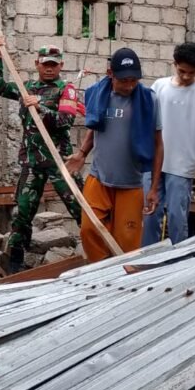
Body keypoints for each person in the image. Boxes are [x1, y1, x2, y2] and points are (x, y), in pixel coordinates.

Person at [0, 35, 81, 272]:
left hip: (60, 160)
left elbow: (65, 120)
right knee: (22, 212)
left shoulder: (66, 90)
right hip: (32, 161)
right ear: (37, 64)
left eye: (54, 65)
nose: (49, 68)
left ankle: (99, 252)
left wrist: (40, 107)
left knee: (80, 207)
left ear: (61, 66)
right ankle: (16, 262)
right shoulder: (26, 88)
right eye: (45, 64)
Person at [66, 48, 162, 262]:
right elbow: (95, 128)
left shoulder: (149, 100)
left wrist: (154, 188)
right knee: (89, 230)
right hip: (99, 178)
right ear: (110, 74)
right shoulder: (97, 94)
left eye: (134, 80)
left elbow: (158, 144)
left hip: (130, 183)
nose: (129, 86)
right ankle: (100, 271)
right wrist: (82, 153)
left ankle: (122, 277)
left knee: (126, 241)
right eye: (123, 80)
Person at [141, 42, 195, 246]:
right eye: (182, 71)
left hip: (182, 167)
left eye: (191, 73)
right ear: (174, 64)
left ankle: (178, 258)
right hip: (154, 163)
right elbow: (146, 123)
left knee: (177, 217)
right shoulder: (159, 87)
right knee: (149, 217)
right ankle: (146, 258)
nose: (186, 76)